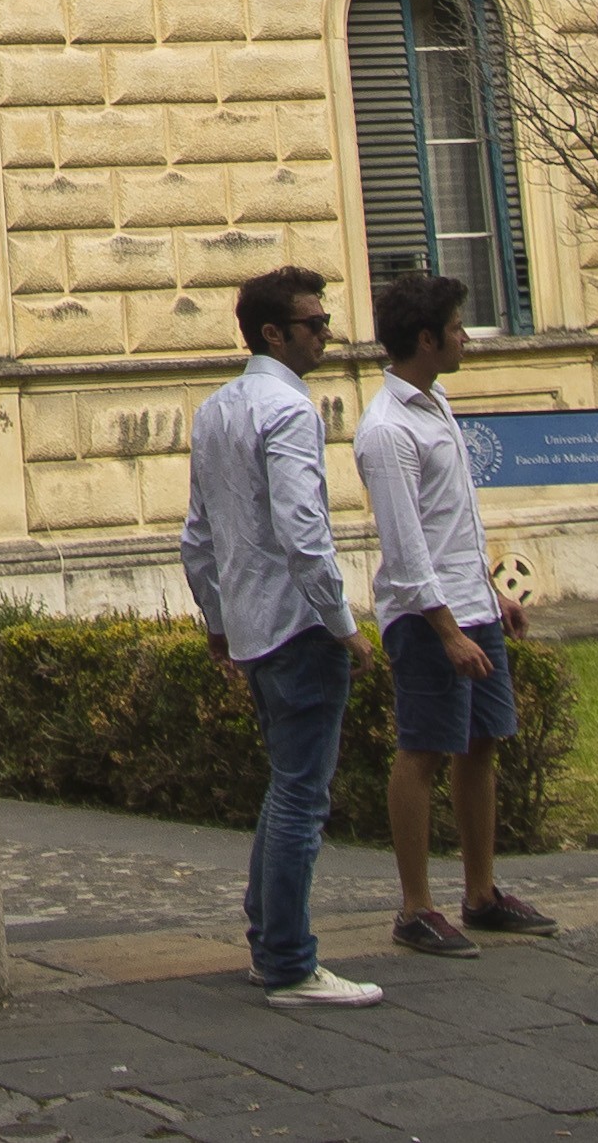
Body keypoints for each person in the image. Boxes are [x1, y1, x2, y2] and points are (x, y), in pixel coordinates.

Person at [180, 265, 375, 1006]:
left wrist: (221, 624)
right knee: (302, 795)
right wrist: (343, 623)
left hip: (255, 629)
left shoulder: (218, 409)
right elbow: (303, 529)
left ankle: (271, 940)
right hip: (298, 625)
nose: (327, 334)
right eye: (315, 323)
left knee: (284, 789)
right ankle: (289, 959)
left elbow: (198, 537)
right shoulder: (289, 411)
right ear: (274, 332)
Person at [354, 266, 558, 958]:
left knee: (481, 744)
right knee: (424, 750)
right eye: (455, 328)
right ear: (425, 338)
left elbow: (452, 522)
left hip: (469, 605)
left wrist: (490, 595)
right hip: (424, 617)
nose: (465, 337)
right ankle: (415, 906)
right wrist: (445, 630)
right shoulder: (386, 429)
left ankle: (481, 891)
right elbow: (407, 543)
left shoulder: (434, 402)